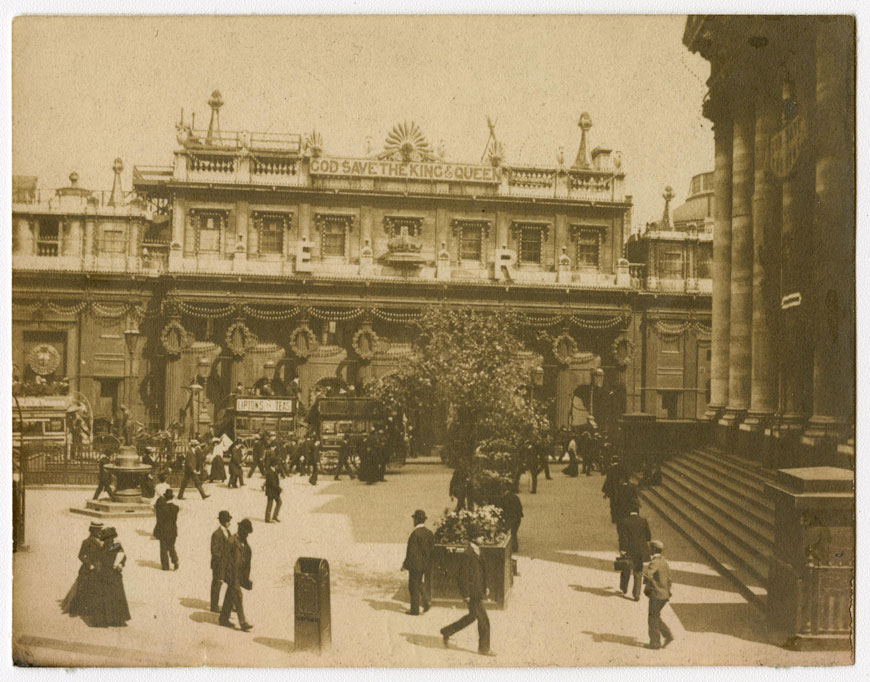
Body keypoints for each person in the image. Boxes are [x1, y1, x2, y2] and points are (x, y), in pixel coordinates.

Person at [440, 525, 493, 656]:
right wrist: (466, 594)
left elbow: (483, 571)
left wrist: (486, 586)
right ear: (474, 538)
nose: (483, 538)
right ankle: (484, 648)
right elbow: (462, 576)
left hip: (478, 591)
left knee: (472, 617)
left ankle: (447, 631)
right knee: (484, 620)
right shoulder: (467, 554)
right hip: (472, 593)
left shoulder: (478, 551)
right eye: (480, 536)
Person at [61, 521, 103, 618]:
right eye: (98, 530)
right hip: (89, 568)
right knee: (83, 587)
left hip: (100, 567)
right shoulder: (86, 542)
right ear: (92, 530)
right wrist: (89, 564)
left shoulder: (103, 540)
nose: (100, 532)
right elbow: (80, 555)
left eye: (100, 529)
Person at [91, 526, 130, 627]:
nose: (110, 540)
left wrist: (121, 564)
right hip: (107, 575)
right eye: (107, 539)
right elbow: (97, 561)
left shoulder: (116, 547)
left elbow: (124, 557)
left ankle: (115, 620)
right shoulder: (102, 549)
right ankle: (110, 620)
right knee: (110, 597)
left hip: (112, 575)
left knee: (114, 597)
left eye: (111, 538)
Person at [219, 518, 254, 632]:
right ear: (240, 530)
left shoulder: (246, 545)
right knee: (238, 595)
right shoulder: (231, 541)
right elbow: (224, 560)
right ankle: (243, 622)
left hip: (239, 576)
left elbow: (247, 563)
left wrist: (246, 578)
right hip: (231, 574)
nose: (247, 535)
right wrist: (221, 576)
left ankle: (223, 618)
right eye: (245, 532)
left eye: (248, 533)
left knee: (230, 595)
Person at [401, 509, 435, 615]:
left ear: (416, 520)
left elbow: (411, 552)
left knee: (413, 586)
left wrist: (404, 565)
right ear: (423, 520)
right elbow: (432, 550)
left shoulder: (415, 534)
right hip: (426, 565)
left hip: (415, 565)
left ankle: (415, 610)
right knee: (420, 584)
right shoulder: (429, 533)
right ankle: (426, 602)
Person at [643, 540, 674, 650]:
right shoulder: (664, 561)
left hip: (656, 595)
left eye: (650, 548)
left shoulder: (655, 562)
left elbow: (648, 575)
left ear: (654, 549)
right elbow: (669, 579)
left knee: (652, 618)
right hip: (664, 595)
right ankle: (667, 635)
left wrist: (646, 582)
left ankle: (655, 643)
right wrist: (667, 591)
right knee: (655, 616)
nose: (648, 550)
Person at [617, 507, 651, 601]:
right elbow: (648, 536)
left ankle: (624, 588)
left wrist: (622, 549)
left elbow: (622, 537)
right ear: (638, 512)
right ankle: (636, 594)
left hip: (628, 550)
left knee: (626, 570)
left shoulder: (625, 521)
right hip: (639, 551)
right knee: (638, 571)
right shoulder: (643, 521)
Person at [210, 510, 232, 612]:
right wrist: (222, 561)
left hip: (226, 564)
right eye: (228, 521)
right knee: (217, 585)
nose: (229, 522)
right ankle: (214, 606)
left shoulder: (227, 532)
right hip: (218, 564)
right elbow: (215, 551)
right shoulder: (217, 534)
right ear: (223, 521)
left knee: (231, 583)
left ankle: (231, 605)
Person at [154, 488, 180, 571]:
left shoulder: (162, 508)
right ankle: (175, 560)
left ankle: (165, 566)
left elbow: (157, 509)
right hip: (173, 531)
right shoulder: (176, 508)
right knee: (171, 546)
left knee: (163, 549)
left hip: (163, 531)